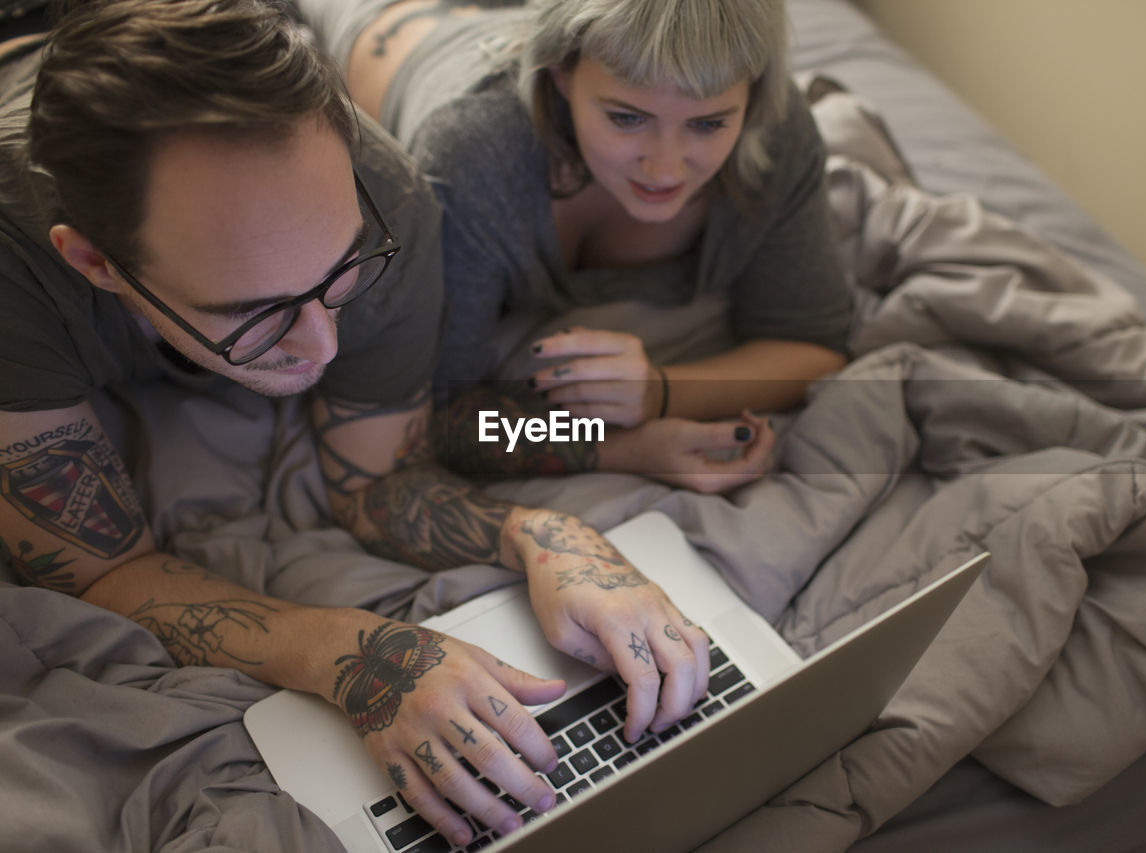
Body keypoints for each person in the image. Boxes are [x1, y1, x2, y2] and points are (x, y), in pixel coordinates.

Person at [0, 1, 708, 847]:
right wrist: (351, 653)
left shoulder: (389, 201)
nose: (324, 343)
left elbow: (378, 481)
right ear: (95, 263)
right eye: (254, 313)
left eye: (342, 273)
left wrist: (548, 534)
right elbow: (99, 569)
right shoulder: (14, 267)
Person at [296, 0, 854, 491]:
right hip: (377, 23)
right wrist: (617, 446)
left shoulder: (775, 134)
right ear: (560, 76)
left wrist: (662, 393)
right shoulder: (475, 160)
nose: (664, 166)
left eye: (708, 124)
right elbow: (435, 415)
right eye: (626, 117)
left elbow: (814, 341)